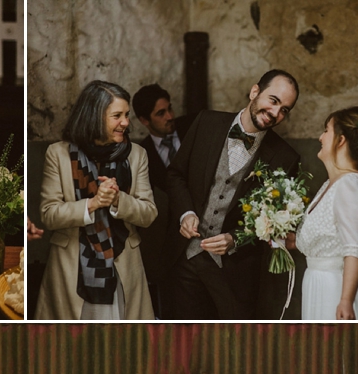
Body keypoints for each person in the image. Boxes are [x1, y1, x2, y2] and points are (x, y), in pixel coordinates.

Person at [166, 70, 301, 320]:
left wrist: (236, 239)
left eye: (285, 109)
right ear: (254, 92)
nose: (275, 113)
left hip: (234, 274)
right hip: (184, 259)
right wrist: (185, 213)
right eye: (273, 100)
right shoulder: (206, 122)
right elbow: (175, 175)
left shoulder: (285, 158)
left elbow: (277, 224)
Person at [35, 80, 158, 320]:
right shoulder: (58, 154)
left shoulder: (137, 155)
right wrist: (92, 204)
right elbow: (49, 215)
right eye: (117, 116)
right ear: (94, 116)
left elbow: (149, 214)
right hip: (72, 270)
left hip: (123, 270)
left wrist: (117, 200)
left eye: (126, 115)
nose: (125, 122)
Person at [296, 107, 358, 320]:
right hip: (318, 284)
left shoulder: (350, 186)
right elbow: (331, 238)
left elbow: (355, 248)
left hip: (337, 288)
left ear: (341, 140)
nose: (320, 137)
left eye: (326, 130)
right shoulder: (331, 184)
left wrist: (346, 301)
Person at [132, 83, 187, 193]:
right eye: (161, 113)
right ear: (144, 120)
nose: (170, 116)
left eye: (169, 109)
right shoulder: (143, 155)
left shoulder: (190, 127)